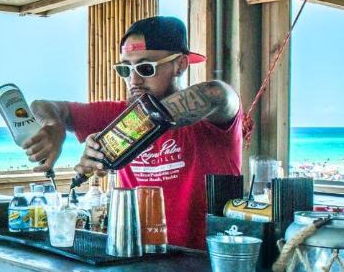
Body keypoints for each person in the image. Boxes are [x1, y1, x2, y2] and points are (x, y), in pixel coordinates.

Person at [22, 16, 241, 249]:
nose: (134, 80)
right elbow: (42, 105)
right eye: (126, 69)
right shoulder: (117, 112)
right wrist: (54, 126)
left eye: (146, 68)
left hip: (206, 265)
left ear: (180, 65)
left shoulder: (212, 122)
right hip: (134, 259)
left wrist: (118, 136)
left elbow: (216, 94)